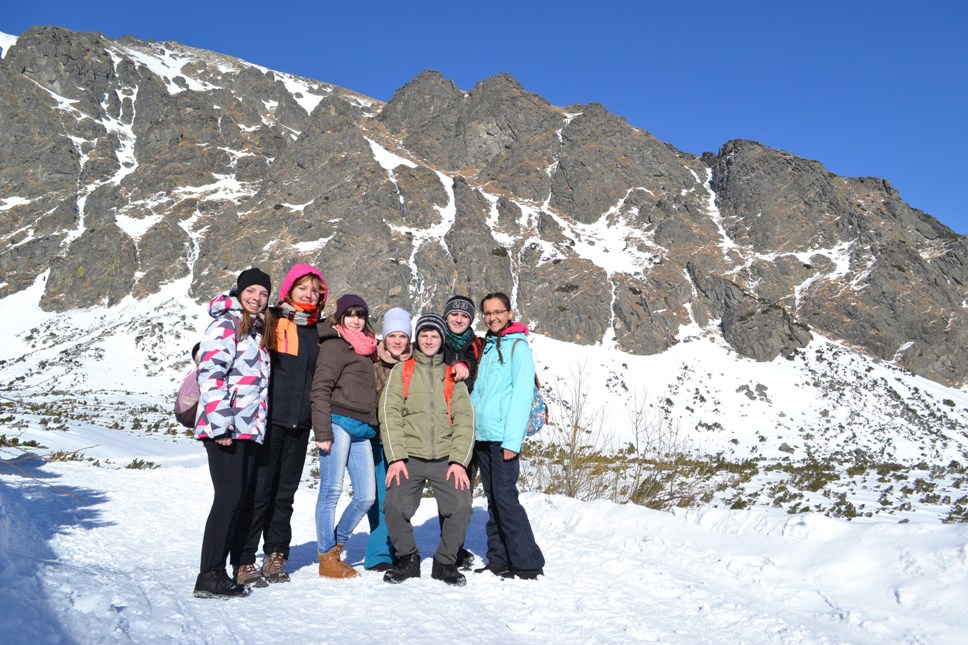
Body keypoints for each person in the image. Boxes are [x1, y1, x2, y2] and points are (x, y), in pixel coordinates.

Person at [233, 264, 327, 586]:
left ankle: (275, 554)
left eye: (314, 290)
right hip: (268, 421)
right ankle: (244, 558)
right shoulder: (270, 319)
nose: (309, 294)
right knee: (259, 491)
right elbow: (235, 335)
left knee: (285, 494)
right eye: (303, 288)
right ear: (289, 290)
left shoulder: (319, 331)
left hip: (300, 424)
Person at [193, 268, 272, 599]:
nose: (257, 298)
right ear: (239, 292)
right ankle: (209, 574)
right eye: (251, 291)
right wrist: (221, 424)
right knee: (227, 499)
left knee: (236, 499)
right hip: (226, 428)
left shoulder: (254, 328)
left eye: (263, 293)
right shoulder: (226, 324)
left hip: (245, 429)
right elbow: (211, 374)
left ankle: (217, 572)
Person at [380, 313, 475, 586]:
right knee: (394, 505)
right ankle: (408, 558)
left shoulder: (452, 375)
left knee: (461, 505)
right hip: (409, 456)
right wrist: (396, 458)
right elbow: (389, 413)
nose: (429, 340)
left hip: (446, 458)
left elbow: (465, 419)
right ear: (417, 339)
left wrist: (459, 461)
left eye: (434, 336)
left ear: (442, 340)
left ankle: (445, 562)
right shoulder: (403, 371)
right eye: (424, 335)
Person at [470, 292, 545, 580]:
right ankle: (499, 559)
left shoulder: (518, 346)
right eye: (488, 313)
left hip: (503, 438)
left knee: (506, 499)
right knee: (494, 499)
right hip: (483, 436)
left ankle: (527, 562)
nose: (493, 317)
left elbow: (522, 396)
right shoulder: (489, 345)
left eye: (498, 312)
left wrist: (512, 441)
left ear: (509, 313)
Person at [311, 294, 379, 579]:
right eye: (349, 314)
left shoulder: (368, 347)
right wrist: (322, 431)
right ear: (340, 317)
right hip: (337, 423)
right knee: (331, 491)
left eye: (360, 315)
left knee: (366, 497)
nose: (355, 320)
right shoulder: (334, 345)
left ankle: (335, 546)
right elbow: (320, 388)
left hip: (362, 428)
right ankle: (327, 557)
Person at [365, 307, 413, 571]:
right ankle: (379, 553)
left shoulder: (415, 364)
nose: (397, 341)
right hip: (376, 437)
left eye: (402, 336)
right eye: (392, 335)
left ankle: (398, 547)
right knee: (380, 497)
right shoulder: (372, 362)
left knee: (399, 498)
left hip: (404, 440)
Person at [441, 294, 485, 570]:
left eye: (464, 316)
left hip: (470, 426)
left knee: (463, 490)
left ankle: (454, 546)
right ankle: (449, 547)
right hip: (440, 425)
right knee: (446, 488)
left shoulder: (478, 346)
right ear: (446, 316)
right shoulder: (434, 339)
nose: (458, 319)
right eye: (454, 314)